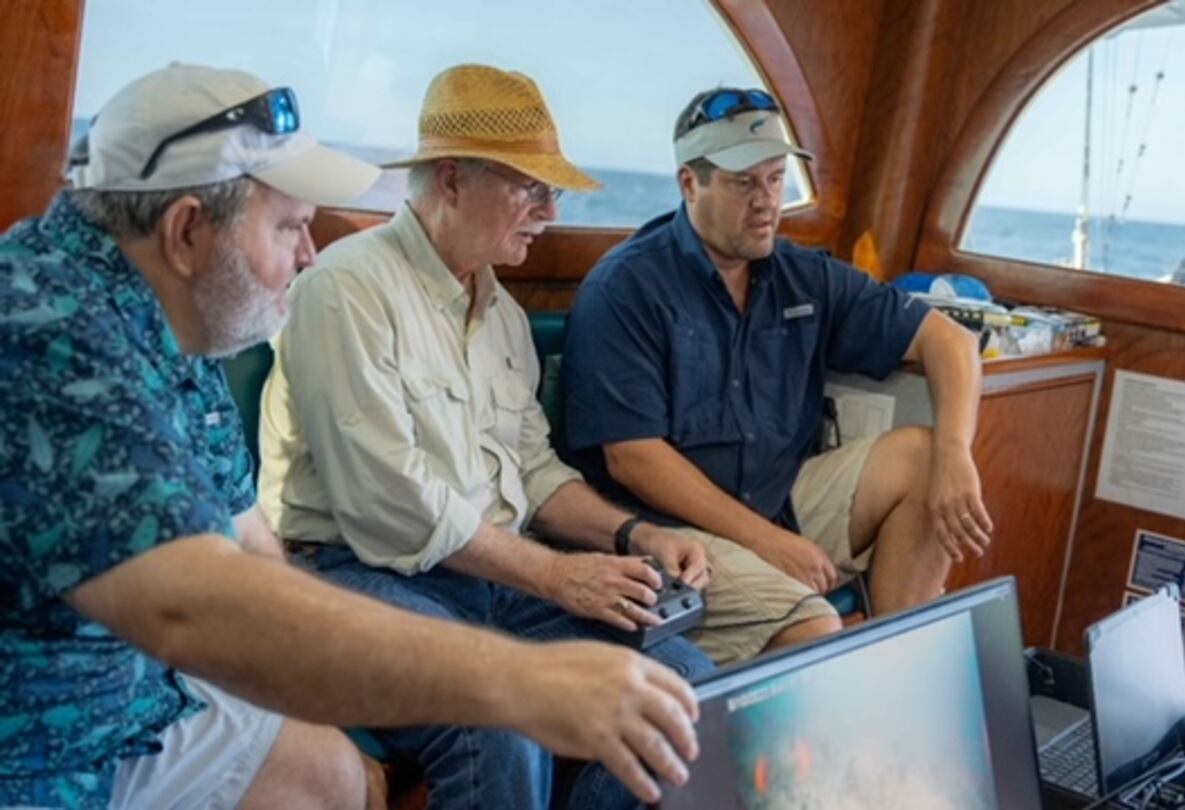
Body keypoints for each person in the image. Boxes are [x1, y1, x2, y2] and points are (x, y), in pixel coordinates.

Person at [0, 64, 699, 809]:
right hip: (45, 741)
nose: (308, 255)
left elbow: (250, 548)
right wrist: (523, 680)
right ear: (186, 230)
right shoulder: (46, 334)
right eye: (290, 227)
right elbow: (196, 609)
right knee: (487, 729)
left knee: (333, 774)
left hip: (139, 700)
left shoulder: (174, 323)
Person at [258, 64, 713, 809]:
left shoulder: (499, 312)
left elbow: (533, 470)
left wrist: (632, 535)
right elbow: (389, 504)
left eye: (552, 190)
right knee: (504, 723)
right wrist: (559, 575)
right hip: (357, 575)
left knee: (683, 691)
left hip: (489, 573)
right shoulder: (346, 289)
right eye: (529, 187)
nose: (548, 210)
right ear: (450, 181)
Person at [563, 87, 996, 666]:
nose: (766, 201)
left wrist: (955, 452)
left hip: (777, 499)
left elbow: (950, 340)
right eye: (744, 183)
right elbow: (633, 458)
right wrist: (768, 543)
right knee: (814, 629)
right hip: (669, 533)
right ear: (690, 184)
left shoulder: (802, 276)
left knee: (924, 458)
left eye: (775, 178)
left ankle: (898, 665)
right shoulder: (626, 288)